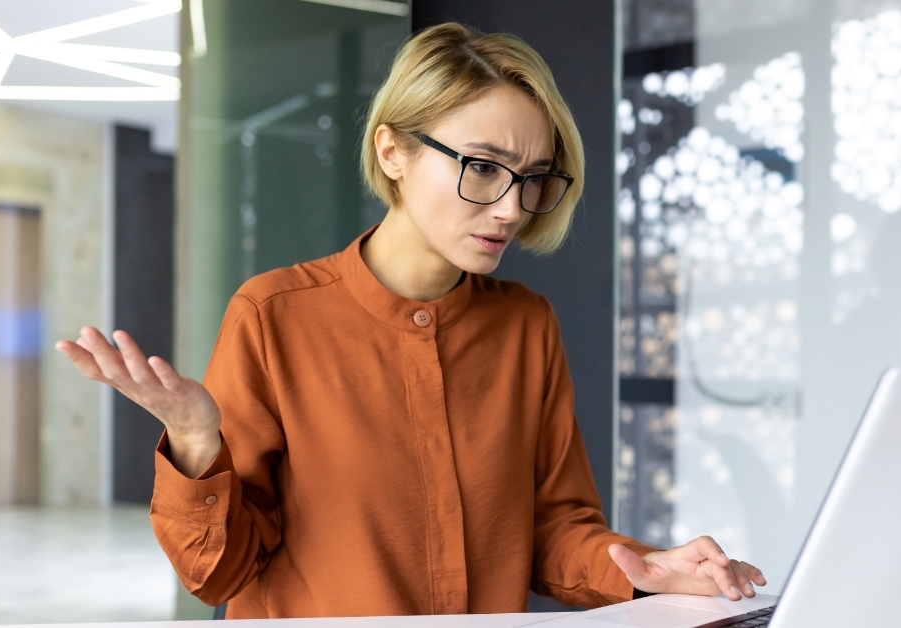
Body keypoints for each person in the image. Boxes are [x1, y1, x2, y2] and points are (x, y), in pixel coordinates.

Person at [55, 23, 764, 619]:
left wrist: (647, 569)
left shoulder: (526, 326)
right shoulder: (273, 316)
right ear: (393, 152)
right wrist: (194, 443)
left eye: (533, 177)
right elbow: (219, 572)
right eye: (483, 167)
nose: (512, 208)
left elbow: (553, 531)